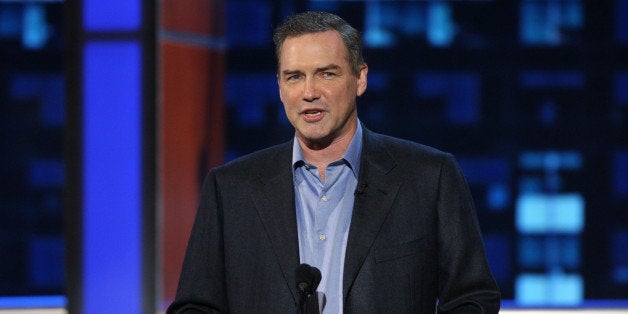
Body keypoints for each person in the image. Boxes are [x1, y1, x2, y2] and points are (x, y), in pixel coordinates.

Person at [167, 11, 500, 314]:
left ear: (360, 79)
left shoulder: (429, 178)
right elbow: (195, 307)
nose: (309, 92)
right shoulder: (231, 189)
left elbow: (473, 299)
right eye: (294, 77)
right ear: (280, 87)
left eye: (326, 74)